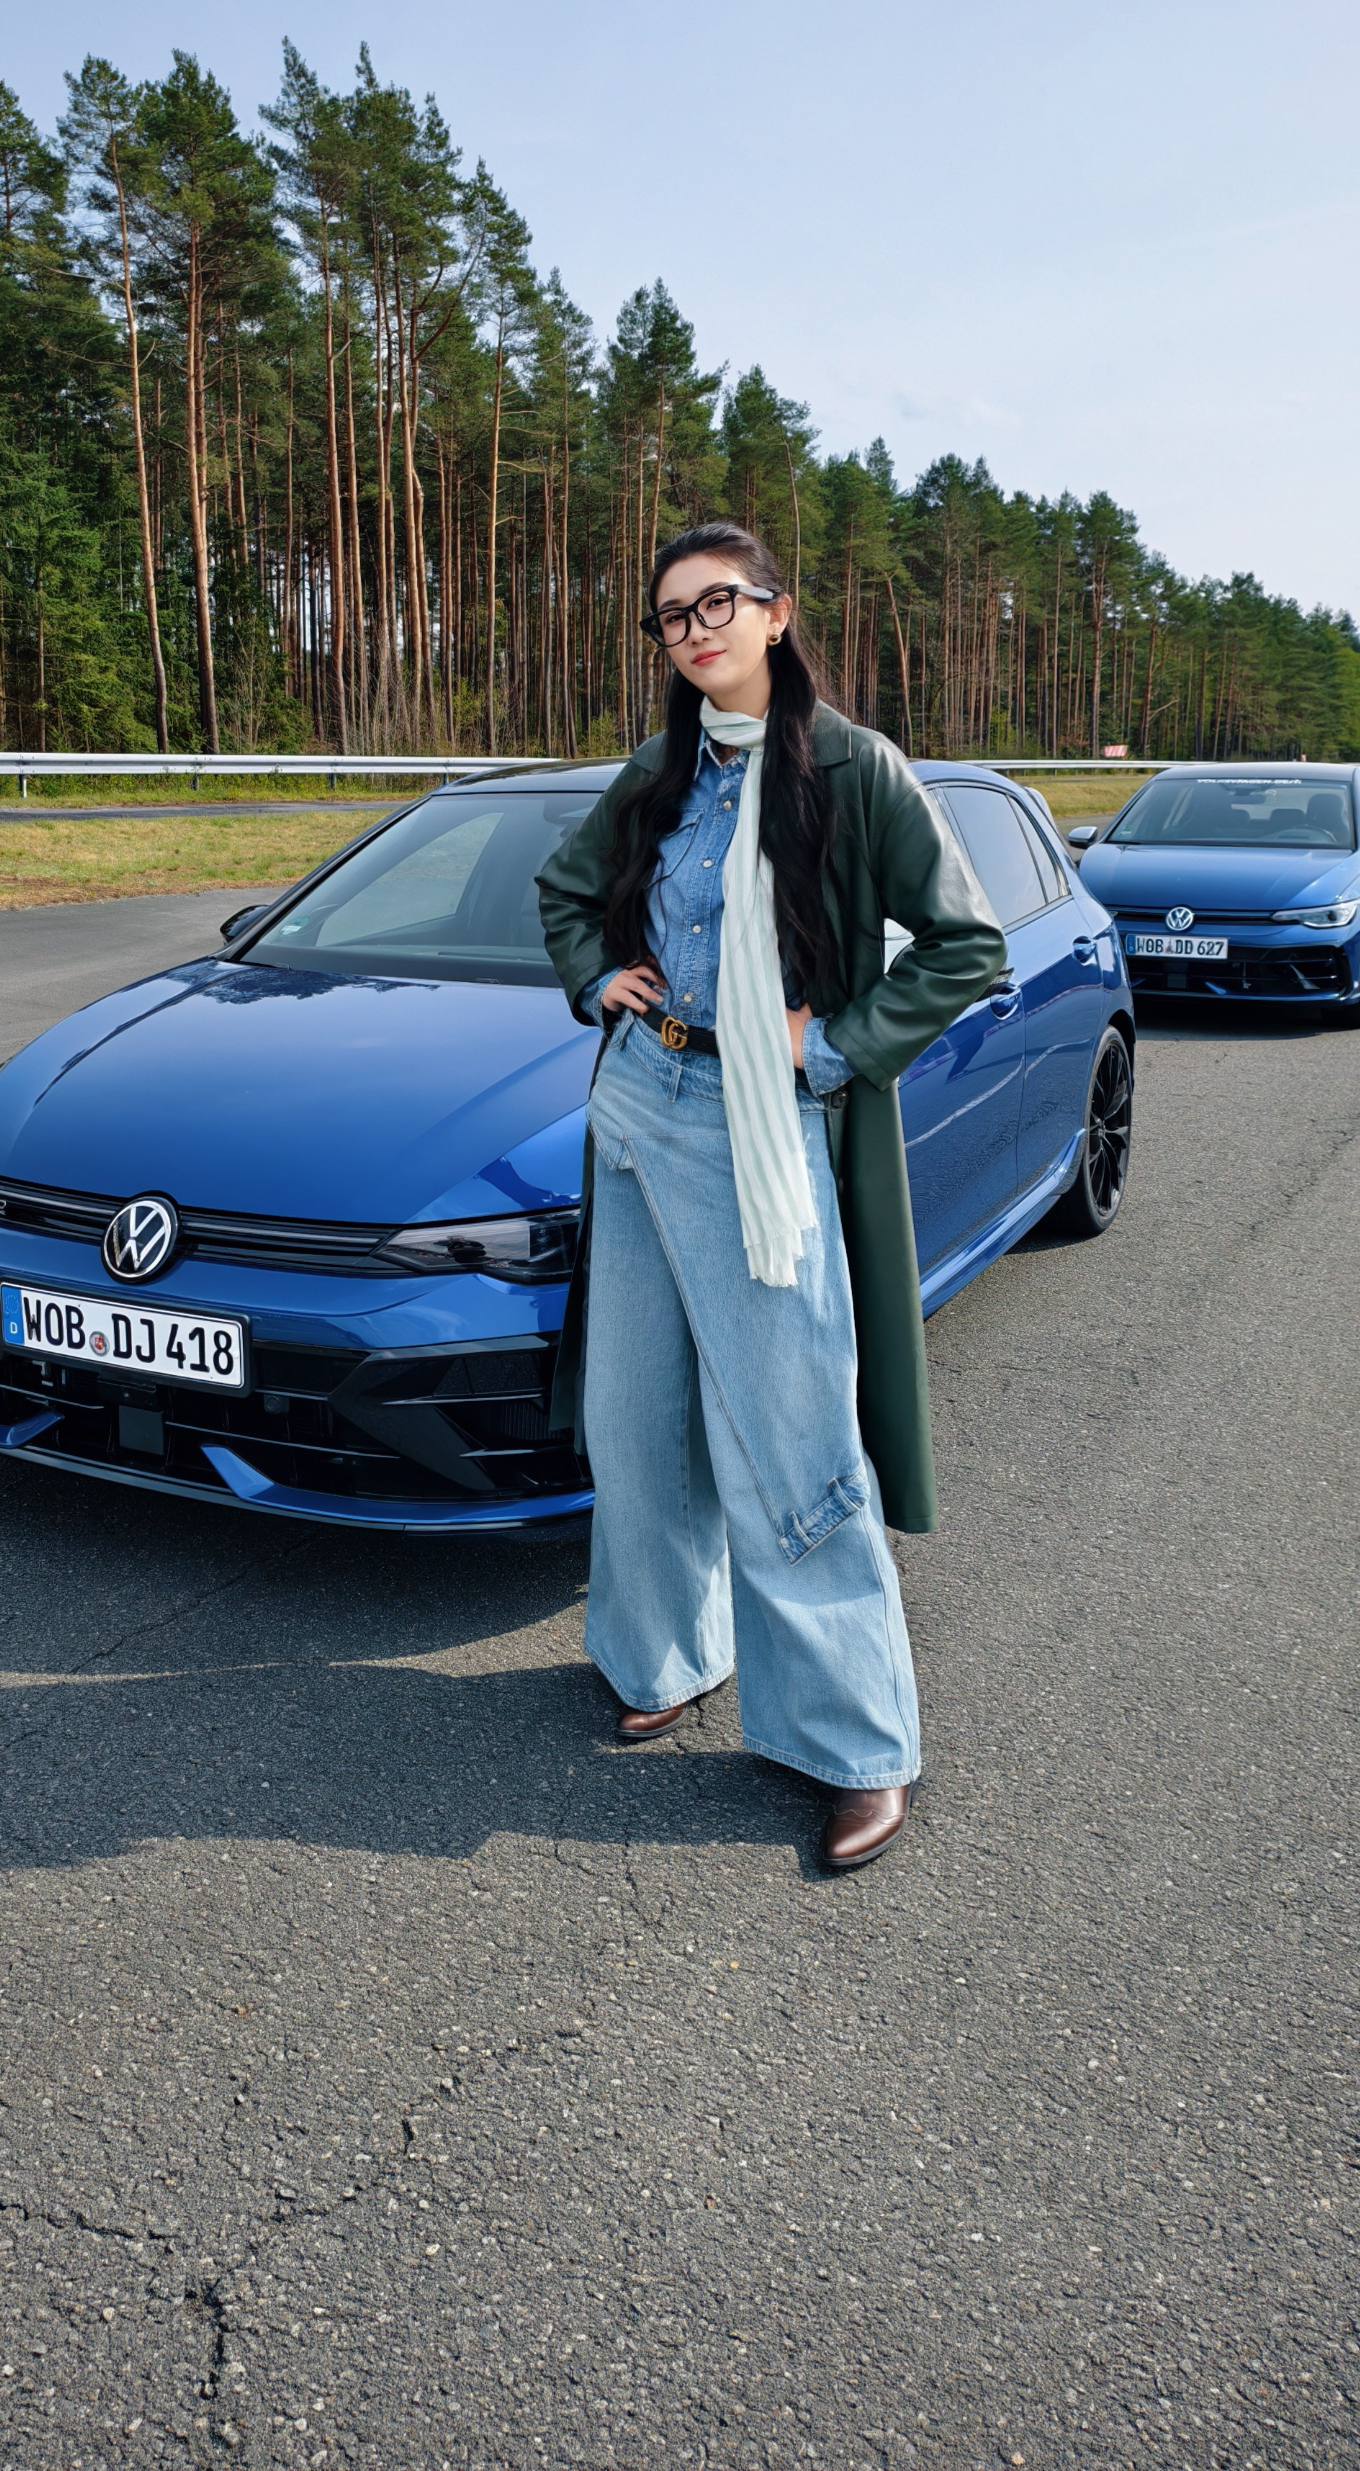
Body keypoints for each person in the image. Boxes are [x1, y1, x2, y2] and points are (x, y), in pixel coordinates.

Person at [535, 521, 1006, 1872]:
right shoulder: (665, 767)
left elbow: (965, 948)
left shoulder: (855, 770)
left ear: (778, 614)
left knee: (792, 1442)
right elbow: (567, 889)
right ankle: (664, 1655)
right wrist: (596, 981)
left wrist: (833, 1045)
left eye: (718, 605)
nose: (694, 632)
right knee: (633, 1420)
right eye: (672, 618)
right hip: (636, 1103)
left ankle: (859, 1744)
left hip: (756, 1126)